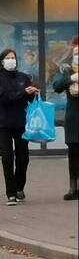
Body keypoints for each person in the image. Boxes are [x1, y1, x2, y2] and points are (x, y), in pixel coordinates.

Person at [0, 48, 39, 205]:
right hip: (3, 123)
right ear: (2, 61)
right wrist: (23, 92)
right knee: (7, 157)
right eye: (8, 58)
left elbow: (29, 100)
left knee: (23, 157)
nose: (11, 60)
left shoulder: (24, 77)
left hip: (20, 123)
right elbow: (2, 98)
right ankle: (10, 193)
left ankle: (19, 188)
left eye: (13, 57)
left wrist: (32, 93)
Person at [52, 36, 79, 200]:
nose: (77, 55)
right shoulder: (67, 70)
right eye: (75, 53)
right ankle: (73, 187)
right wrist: (71, 79)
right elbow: (56, 86)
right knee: (73, 153)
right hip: (73, 118)